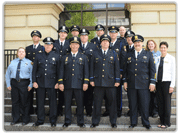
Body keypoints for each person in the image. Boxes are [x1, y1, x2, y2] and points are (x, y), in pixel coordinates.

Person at [123, 35, 156, 129]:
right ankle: (133, 122)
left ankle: (146, 122)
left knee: (145, 104)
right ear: (133, 43)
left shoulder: (148, 54)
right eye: (135, 42)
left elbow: (152, 70)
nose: (137, 44)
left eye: (139, 42)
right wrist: (125, 81)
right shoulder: (128, 54)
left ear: (142, 43)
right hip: (132, 84)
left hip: (144, 84)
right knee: (133, 104)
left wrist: (152, 82)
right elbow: (125, 70)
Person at [90, 34, 120, 128]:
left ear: (109, 43)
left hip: (110, 83)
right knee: (97, 103)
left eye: (107, 41)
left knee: (112, 104)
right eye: (103, 41)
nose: (105, 43)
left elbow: (117, 68)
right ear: (101, 42)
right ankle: (95, 121)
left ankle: (113, 122)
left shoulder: (114, 53)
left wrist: (117, 80)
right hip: (98, 82)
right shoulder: (95, 53)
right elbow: (91, 67)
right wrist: (91, 79)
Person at [59, 36, 89, 128]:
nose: (74, 46)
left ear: (79, 46)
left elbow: (86, 71)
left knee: (80, 104)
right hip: (67, 84)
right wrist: (60, 82)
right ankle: (67, 121)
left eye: (76, 44)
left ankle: (80, 121)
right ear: (70, 45)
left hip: (79, 84)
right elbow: (61, 71)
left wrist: (86, 82)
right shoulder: (65, 57)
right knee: (67, 104)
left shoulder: (83, 57)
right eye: (73, 44)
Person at [32, 37, 60, 127]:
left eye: (50, 44)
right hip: (40, 82)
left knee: (53, 103)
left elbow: (59, 71)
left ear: (52, 46)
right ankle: (40, 120)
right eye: (46, 44)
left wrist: (58, 82)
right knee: (40, 103)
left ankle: (53, 120)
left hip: (52, 83)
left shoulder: (56, 56)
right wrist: (34, 81)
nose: (48, 46)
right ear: (44, 45)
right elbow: (34, 70)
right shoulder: (38, 55)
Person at [5, 47, 33, 126]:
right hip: (14, 83)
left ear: (25, 53)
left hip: (24, 83)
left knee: (25, 102)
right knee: (15, 102)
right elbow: (7, 74)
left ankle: (25, 119)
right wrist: (8, 84)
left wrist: (31, 84)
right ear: (17, 53)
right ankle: (15, 119)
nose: (21, 53)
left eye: (22, 52)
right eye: (19, 52)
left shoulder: (29, 63)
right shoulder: (12, 62)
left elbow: (31, 75)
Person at [156, 41, 175, 129]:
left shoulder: (171, 58)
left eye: (164, 47)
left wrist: (172, 85)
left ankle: (167, 122)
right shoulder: (157, 58)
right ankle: (161, 121)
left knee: (166, 103)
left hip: (167, 83)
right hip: (158, 83)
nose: (163, 49)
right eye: (161, 47)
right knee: (160, 103)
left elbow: (174, 73)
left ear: (167, 48)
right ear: (160, 48)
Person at [25, 30, 44, 115]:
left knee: (39, 94)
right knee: (30, 93)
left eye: (37, 36)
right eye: (33, 36)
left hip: (39, 73)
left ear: (39, 38)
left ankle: (38, 109)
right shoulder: (28, 48)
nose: (35, 37)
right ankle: (30, 109)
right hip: (29, 73)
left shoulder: (43, 48)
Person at [53, 26, 70, 116]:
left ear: (67, 34)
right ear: (59, 33)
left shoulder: (69, 44)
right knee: (53, 93)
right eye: (61, 32)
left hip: (65, 70)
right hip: (54, 69)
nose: (63, 34)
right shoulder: (54, 43)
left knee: (63, 93)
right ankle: (54, 110)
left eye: (65, 32)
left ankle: (61, 110)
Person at [79, 28, 96, 116]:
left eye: (85, 35)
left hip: (89, 73)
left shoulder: (93, 46)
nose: (83, 37)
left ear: (88, 37)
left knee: (89, 95)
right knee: (79, 96)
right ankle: (80, 112)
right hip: (78, 75)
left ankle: (89, 111)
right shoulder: (76, 45)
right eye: (82, 35)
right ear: (80, 36)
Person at [146, 40, 161, 118]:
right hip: (147, 77)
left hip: (156, 77)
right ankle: (149, 111)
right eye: (149, 44)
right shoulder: (145, 53)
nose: (150, 45)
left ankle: (155, 111)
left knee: (155, 96)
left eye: (152, 44)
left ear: (155, 45)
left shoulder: (158, 54)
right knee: (148, 96)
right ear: (147, 45)